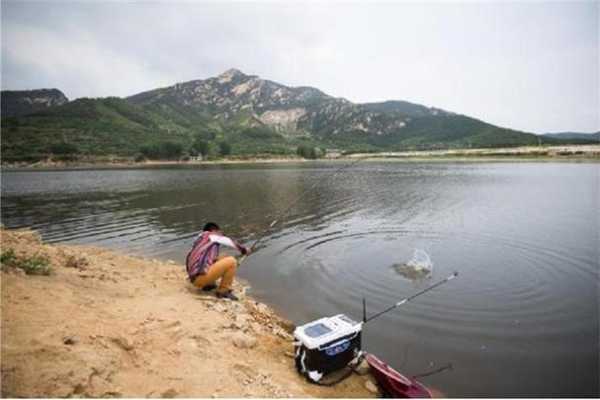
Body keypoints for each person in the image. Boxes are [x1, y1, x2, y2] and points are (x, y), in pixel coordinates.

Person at [186, 222, 250, 301]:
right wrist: (244, 250)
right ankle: (223, 291)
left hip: (194, 278)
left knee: (222, 257)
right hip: (199, 279)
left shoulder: (199, 240)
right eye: (219, 231)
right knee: (232, 261)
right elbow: (230, 242)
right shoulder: (211, 235)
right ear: (214, 230)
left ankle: (209, 285)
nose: (221, 233)